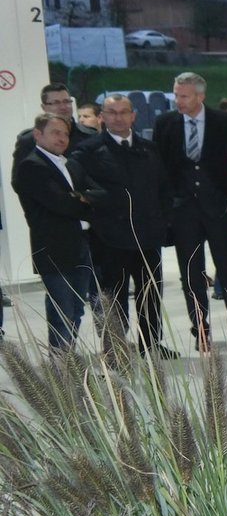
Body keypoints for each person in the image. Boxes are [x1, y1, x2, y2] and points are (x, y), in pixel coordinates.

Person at [71, 94, 176, 358]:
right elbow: (82, 192)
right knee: (112, 295)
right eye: (112, 112)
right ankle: (116, 347)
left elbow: (164, 189)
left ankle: (150, 343)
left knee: (150, 293)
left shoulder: (150, 150)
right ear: (102, 117)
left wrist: (161, 223)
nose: (118, 117)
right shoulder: (87, 152)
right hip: (109, 239)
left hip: (147, 236)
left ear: (133, 116)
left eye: (123, 112)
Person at [153, 72, 227, 349]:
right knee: (191, 275)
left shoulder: (224, 122)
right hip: (184, 213)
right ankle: (201, 330)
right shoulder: (165, 123)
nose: (177, 100)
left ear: (200, 96)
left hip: (219, 209)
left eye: (183, 95)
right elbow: (160, 166)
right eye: (176, 94)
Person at [13, 114, 102, 349]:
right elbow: (61, 204)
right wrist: (82, 201)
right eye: (55, 132)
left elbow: (98, 194)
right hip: (54, 250)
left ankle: (68, 356)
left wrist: (84, 199)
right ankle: (61, 365)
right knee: (61, 311)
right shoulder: (32, 166)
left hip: (81, 247)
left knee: (76, 309)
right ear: (37, 135)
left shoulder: (70, 164)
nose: (62, 138)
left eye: (65, 133)